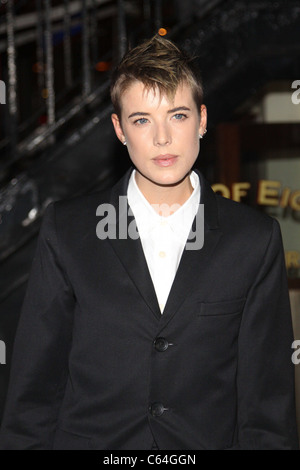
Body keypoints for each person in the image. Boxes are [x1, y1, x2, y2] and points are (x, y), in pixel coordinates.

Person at [0, 35, 298, 450]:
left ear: (203, 119)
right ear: (120, 129)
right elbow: (33, 392)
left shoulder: (253, 238)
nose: (162, 138)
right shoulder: (68, 230)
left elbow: (267, 405)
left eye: (177, 115)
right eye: (142, 120)